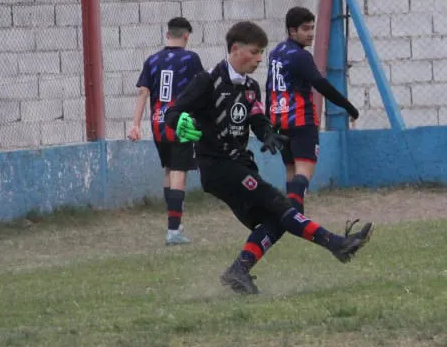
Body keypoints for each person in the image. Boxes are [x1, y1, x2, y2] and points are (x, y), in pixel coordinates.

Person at [163, 20, 373, 295]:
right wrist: (179, 124)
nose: (260, 59)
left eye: (262, 52)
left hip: (239, 165)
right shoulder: (208, 81)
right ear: (236, 49)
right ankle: (336, 244)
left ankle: (238, 271)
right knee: (280, 203)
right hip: (218, 167)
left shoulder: (251, 86)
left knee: (276, 220)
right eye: (255, 52)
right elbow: (174, 112)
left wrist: (268, 134)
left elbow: (257, 117)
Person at [266, 6, 360, 213]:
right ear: (292, 31)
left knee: (291, 169)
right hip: (301, 119)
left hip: (279, 121)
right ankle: (296, 218)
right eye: (305, 29)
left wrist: (268, 121)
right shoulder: (300, 56)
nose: (311, 33)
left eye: (312, 28)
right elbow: (320, 83)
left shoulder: (275, 53)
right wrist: (349, 107)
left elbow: (269, 87)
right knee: (305, 169)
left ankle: (291, 215)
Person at [127, 17, 206, 245]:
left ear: (167, 34)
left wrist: (135, 124)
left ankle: (174, 222)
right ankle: (173, 230)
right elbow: (201, 88)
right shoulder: (191, 58)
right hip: (180, 122)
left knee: (170, 170)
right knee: (180, 171)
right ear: (186, 36)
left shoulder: (152, 60)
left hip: (158, 123)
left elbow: (143, 92)